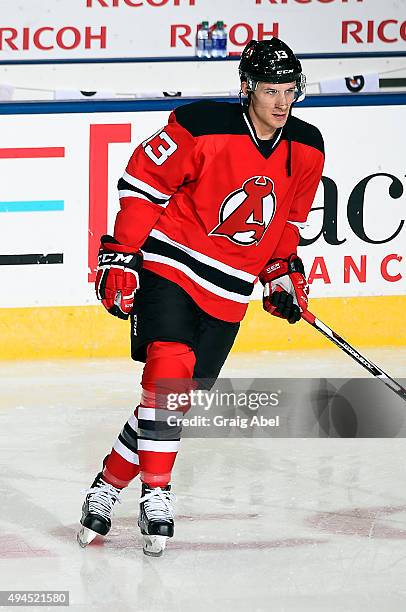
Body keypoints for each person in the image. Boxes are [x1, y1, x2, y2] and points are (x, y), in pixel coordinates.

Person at [77, 37, 325, 556]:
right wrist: (121, 253)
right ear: (246, 89)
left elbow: (286, 225)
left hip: (229, 290)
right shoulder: (200, 126)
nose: (282, 102)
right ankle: (157, 495)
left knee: (171, 403)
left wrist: (281, 275)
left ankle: (106, 486)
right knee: (167, 375)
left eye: (289, 91)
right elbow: (142, 184)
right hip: (171, 262)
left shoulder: (307, 147)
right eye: (271, 90)